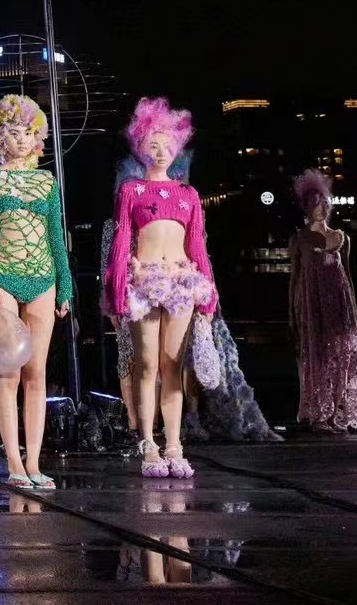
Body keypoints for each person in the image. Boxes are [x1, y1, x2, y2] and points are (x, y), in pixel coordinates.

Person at [103, 98, 216, 478]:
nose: (161, 151)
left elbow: (197, 246)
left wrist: (209, 295)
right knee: (147, 364)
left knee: (173, 364)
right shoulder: (131, 191)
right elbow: (121, 244)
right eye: (153, 144)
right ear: (140, 147)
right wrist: (116, 292)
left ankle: (174, 444)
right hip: (144, 281)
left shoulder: (188, 194)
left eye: (168, 144)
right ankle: (148, 443)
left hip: (182, 282)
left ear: (177, 147)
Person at [0, 96, 70, 489]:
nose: (22, 139)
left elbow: (56, 237)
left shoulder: (47, 181)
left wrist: (65, 285)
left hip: (44, 278)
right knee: (9, 370)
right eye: (13, 132)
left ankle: (34, 462)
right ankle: (14, 461)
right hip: (3, 277)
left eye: (28, 132)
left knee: (36, 372)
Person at [289, 169, 357, 433]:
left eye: (324, 203)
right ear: (306, 207)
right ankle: (319, 415)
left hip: (340, 306)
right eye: (315, 203)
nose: (321, 208)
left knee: (344, 356)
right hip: (312, 306)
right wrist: (292, 313)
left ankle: (337, 414)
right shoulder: (299, 238)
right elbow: (295, 278)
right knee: (318, 357)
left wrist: (355, 311)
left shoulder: (341, 238)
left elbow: (348, 276)